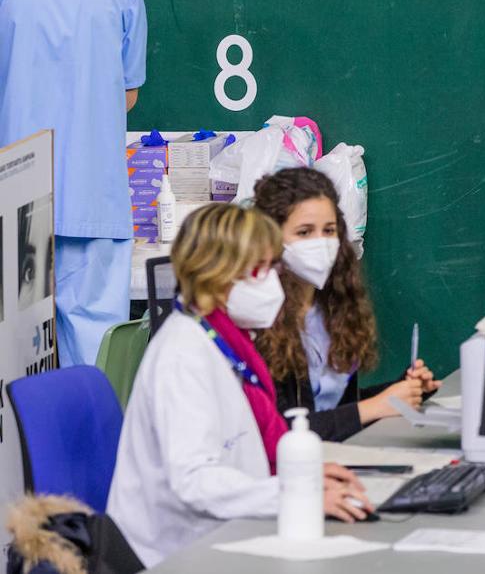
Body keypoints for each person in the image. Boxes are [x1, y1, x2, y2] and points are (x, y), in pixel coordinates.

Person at [108, 204, 373, 567]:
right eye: (258, 270)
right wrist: (292, 494)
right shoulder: (182, 356)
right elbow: (195, 482)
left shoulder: (230, 342)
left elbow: (240, 451)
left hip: (224, 531)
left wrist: (299, 477)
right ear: (216, 274)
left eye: (273, 267)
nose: (273, 283)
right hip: (171, 552)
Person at [0, 0, 147, 367]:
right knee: (97, 359)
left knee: (18, 367)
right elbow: (127, 94)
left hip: (17, 197)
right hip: (95, 197)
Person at [252, 167, 439, 442]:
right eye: (304, 232)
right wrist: (375, 406)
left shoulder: (332, 306)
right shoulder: (257, 318)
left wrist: (402, 391)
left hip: (335, 455)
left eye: (329, 230)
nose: (321, 243)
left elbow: (333, 410)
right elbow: (277, 432)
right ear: (270, 239)